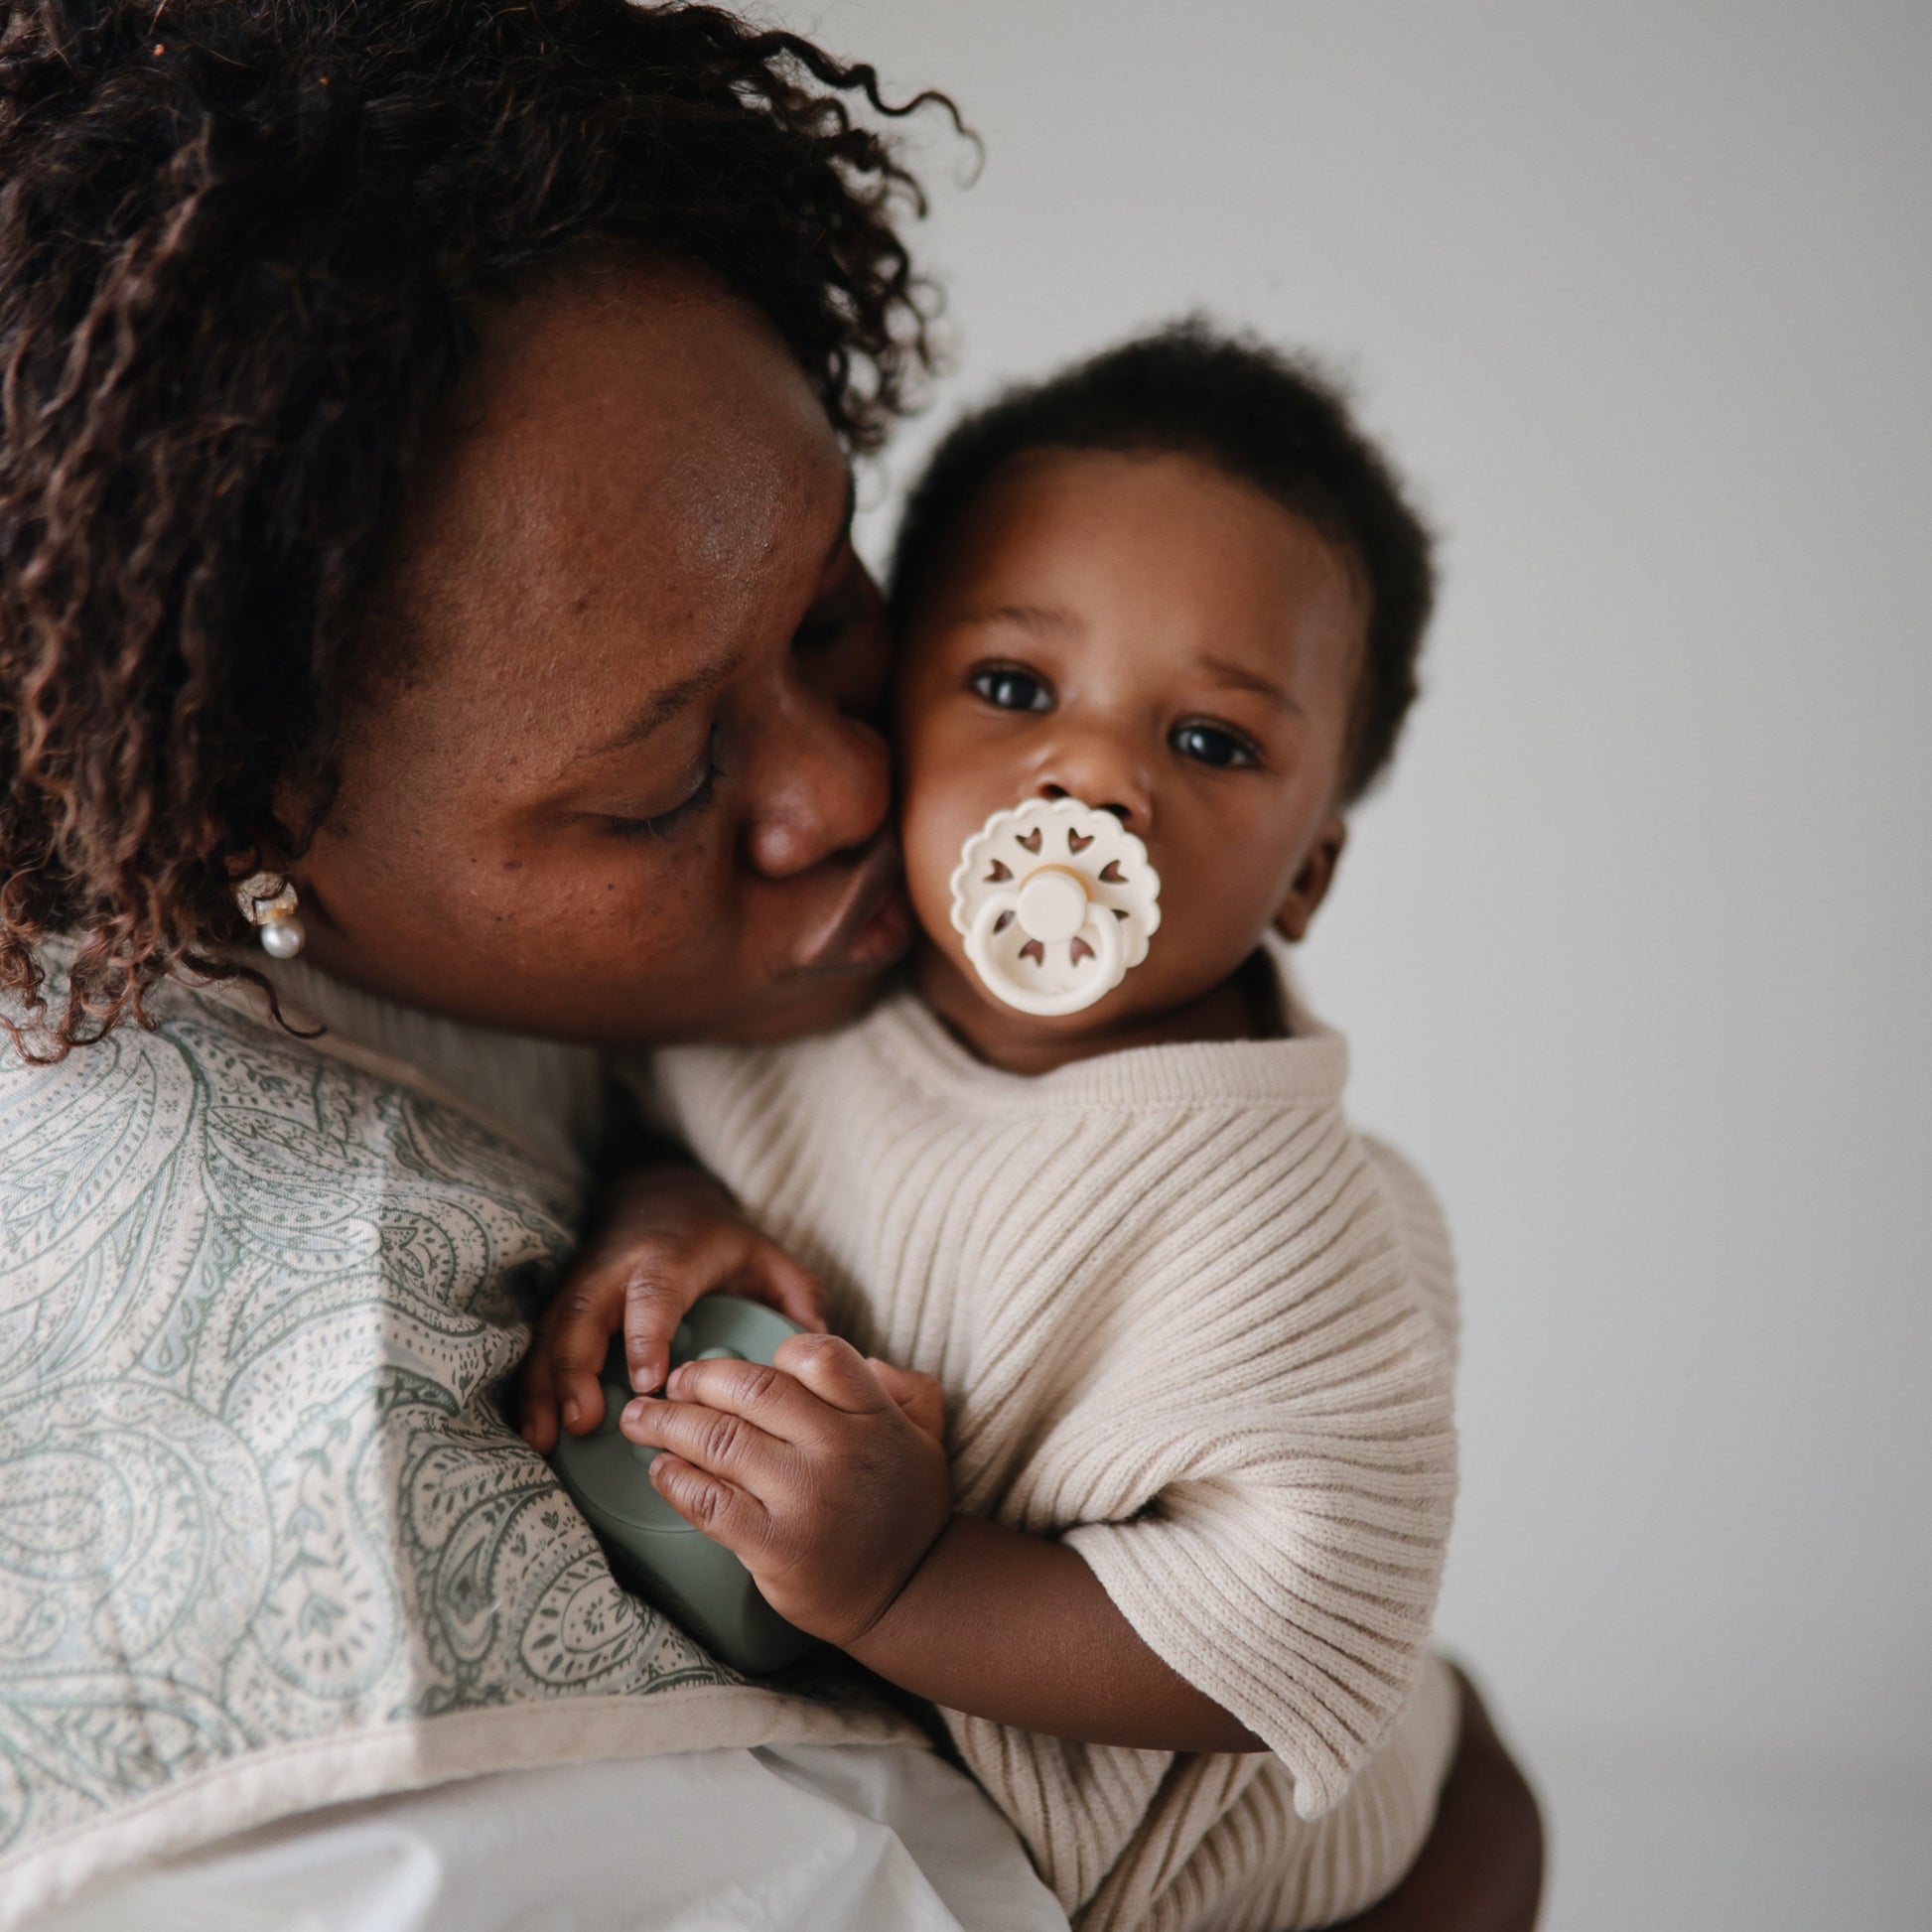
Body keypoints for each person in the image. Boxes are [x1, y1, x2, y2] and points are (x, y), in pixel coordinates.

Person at [0, 3, 1541, 1927]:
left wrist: (671, 1205)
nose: (851, 782)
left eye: (833, 617)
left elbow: (1321, 1628)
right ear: (247, 834)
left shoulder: (1214, 1183)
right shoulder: (247, 1300)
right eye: (661, 786)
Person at [522, 325, 1462, 1931]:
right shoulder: (810, 1000)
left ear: (1305, 872)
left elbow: (1310, 1617)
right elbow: (651, 1111)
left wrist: (916, 1583)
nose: (1090, 775)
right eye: (1014, 686)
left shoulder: (1287, 1212)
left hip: (1258, 1886)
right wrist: (664, 1208)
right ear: (896, 705)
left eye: (1212, 741)